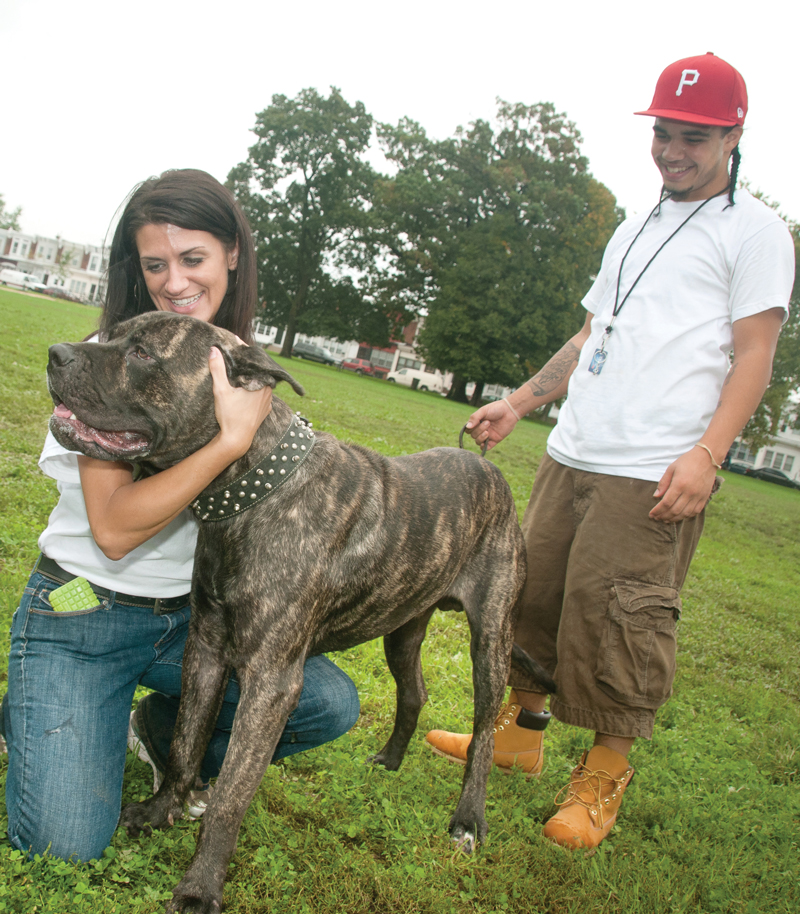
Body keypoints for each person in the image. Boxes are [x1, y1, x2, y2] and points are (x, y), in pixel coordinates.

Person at [425, 54, 795, 849]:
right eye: (664, 132)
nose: (673, 150)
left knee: (621, 619)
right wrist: (522, 403)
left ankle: (601, 778)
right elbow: (594, 331)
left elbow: (755, 354)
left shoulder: (756, 232)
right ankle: (519, 737)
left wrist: (709, 453)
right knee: (535, 595)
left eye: (693, 137)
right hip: (576, 450)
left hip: (655, 466)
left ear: (733, 135)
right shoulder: (638, 224)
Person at [0, 169, 360, 862]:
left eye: (192, 259)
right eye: (154, 264)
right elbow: (113, 529)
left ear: (232, 254)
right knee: (65, 843)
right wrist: (228, 439)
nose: (173, 281)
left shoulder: (236, 365)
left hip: (195, 622)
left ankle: (159, 732)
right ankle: (35, 711)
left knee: (325, 702)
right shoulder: (103, 364)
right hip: (83, 611)